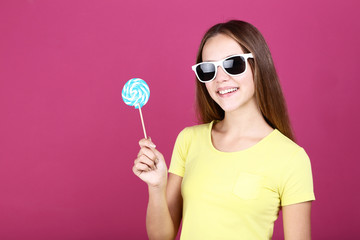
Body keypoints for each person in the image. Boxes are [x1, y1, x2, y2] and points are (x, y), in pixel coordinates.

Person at [132, 20, 315, 240]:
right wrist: (157, 186)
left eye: (233, 64)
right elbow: (161, 237)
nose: (220, 78)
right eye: (208, 69)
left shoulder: (291, 158)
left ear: (259, 65)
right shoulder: (189, 140)